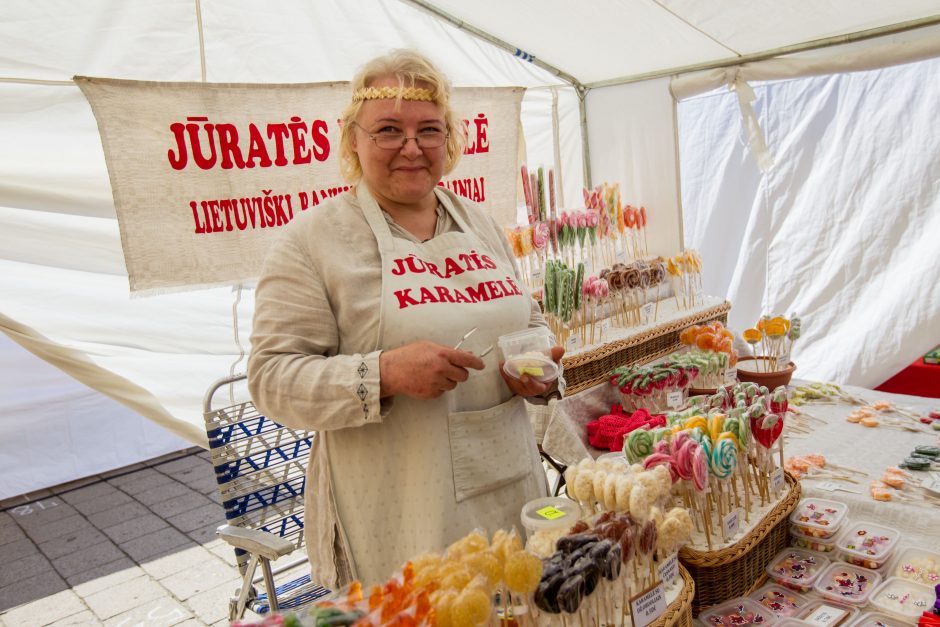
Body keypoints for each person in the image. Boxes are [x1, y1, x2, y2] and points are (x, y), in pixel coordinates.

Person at [248, 49, 563, 588]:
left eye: (429, 131)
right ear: (353, 139)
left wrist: (535, 365)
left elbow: (530, 317)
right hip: (400, 503)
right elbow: (272, 379)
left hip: (509, 485)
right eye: (389, 130)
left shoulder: (479, 222)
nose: (412, 148)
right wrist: (384, 373)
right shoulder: (313, 242)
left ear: (450, 139)